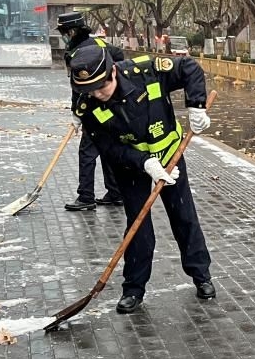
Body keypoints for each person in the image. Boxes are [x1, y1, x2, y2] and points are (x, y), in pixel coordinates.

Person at [68, 41, 216, 313]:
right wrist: (144, 162)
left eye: (101, 86)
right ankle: (133, 289)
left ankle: (201, 276)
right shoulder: (87, 105)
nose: (97, 94)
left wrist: (196, 106)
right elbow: (109, 148)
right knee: (138, 225)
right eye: (90, 90)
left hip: (170, 157)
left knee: (184, 217)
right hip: (131, 167)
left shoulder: (146, 70)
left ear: (113, 72)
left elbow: (190, 68)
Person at [57, 11, 124, 212]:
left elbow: (78, 87)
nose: (64, 37)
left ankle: (86, 196)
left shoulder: (77, 54)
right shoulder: (101, 44)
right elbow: (119, 56)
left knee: (87, 152)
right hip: (113, 107)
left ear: (72, 31)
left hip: (94, 110)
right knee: (107, 149)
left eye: (64, 33)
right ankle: (115, 193)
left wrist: (76, 113)